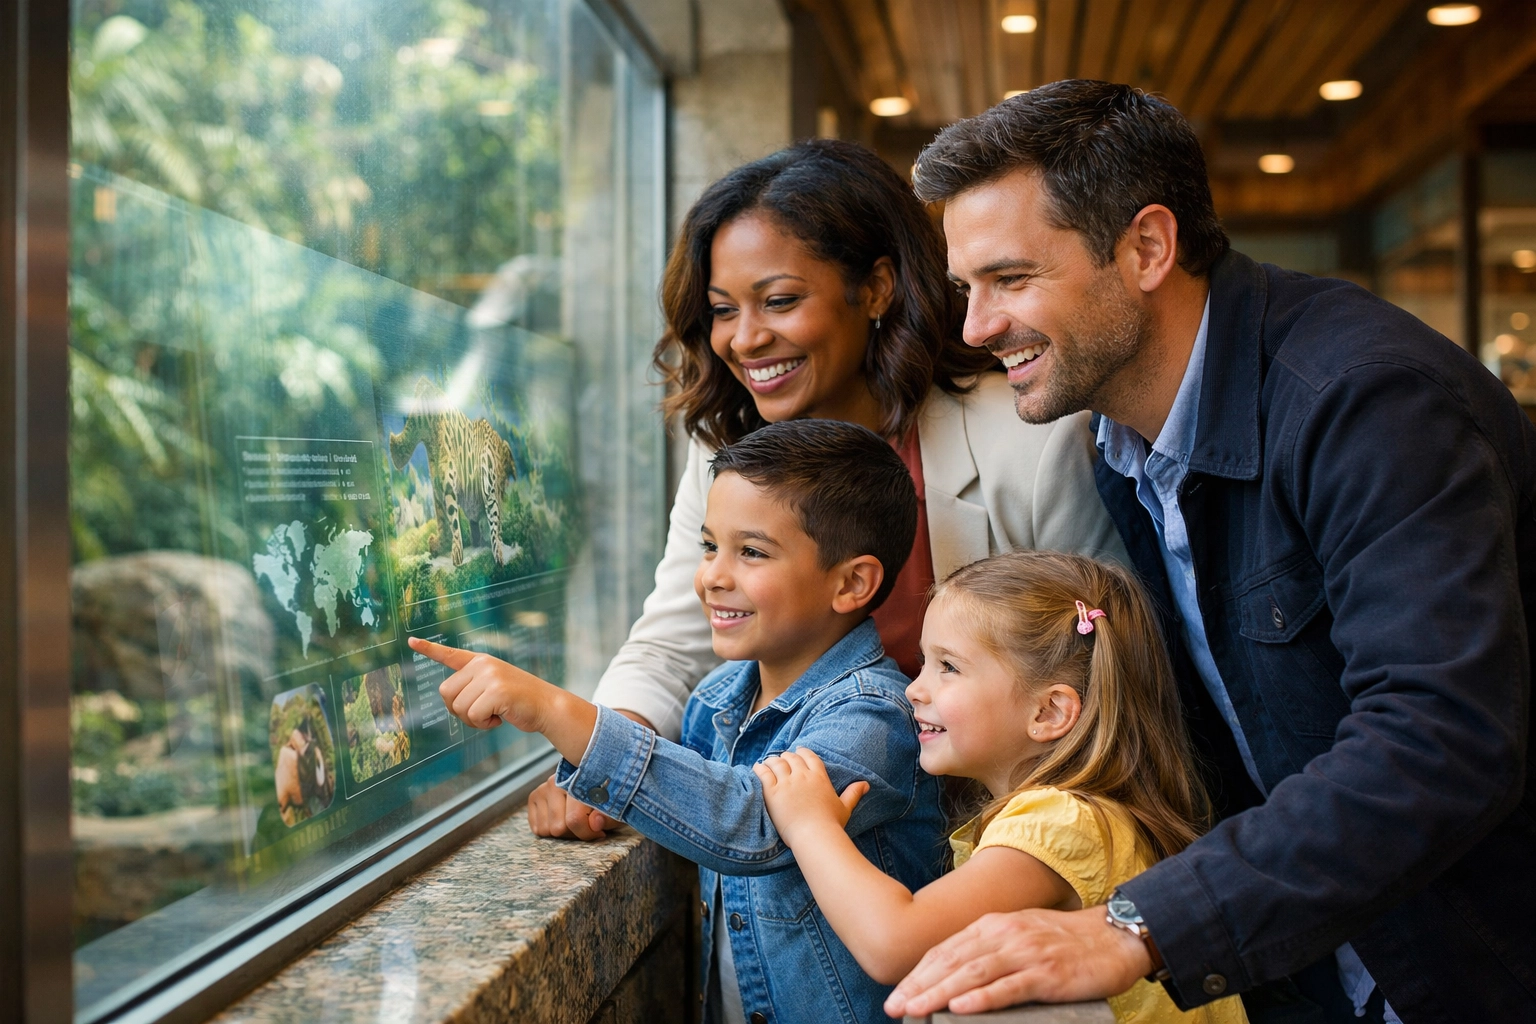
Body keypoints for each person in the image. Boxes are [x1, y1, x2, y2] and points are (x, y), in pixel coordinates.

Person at [883, 80, 1536, 1023]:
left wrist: (1134, 925)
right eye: (966, 289)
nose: (977, 328)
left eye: (1012, 279)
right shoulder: (1119, 448)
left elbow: (1442, 742)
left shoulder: (1367, 402)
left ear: (1148, 247)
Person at [527, 139, 1126, 841]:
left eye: (779, 301)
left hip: (1001, 838)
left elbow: (1111, 671)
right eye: (722, 310)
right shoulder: (726, 449)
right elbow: (671, 643)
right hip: (806, 833)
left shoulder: (1028, 438)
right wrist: (604, 756)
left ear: (875, 289)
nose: (745, 339)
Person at [411, 420, 945, 1024]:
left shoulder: (877, 715)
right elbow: (685, 798)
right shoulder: (717, 697)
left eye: (751, 552)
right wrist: (594, 793)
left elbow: (753, 822)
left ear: (852, 583)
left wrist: (561, 714)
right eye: (708, 545)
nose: (714, 575)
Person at [753, 550, 1248, 1024]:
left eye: (948, 667)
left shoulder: (1062, 822)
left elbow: (893, 944)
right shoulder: (1081, 814)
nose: (913, 688)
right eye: (925, 662)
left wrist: (810, 825)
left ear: (1048, 712)